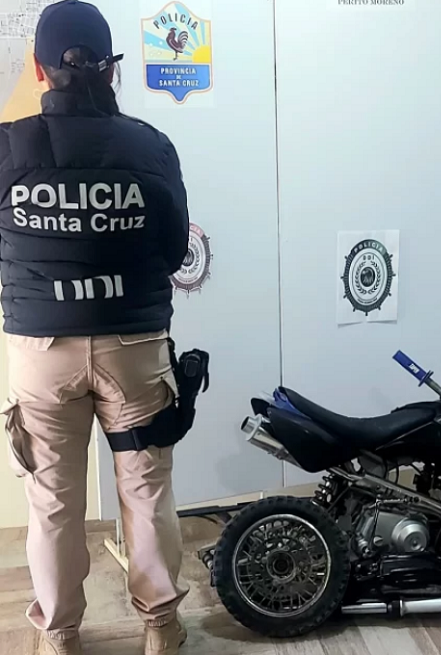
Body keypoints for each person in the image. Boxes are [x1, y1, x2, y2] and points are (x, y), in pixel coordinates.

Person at [0, 2, 190, 654]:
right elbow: (175, 251)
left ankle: (59, 638)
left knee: (52, 501)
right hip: (133, 348)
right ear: (111, 69)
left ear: (39, 69)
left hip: (42, 349)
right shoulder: (150, 145)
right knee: (146, 489)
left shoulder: (6, 148)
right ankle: (161, 629)